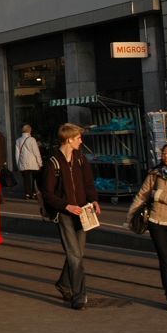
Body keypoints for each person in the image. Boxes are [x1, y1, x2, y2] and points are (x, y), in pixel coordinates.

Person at [126, 144, 167, 311]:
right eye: (164, 153)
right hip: (156, 222)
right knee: (164, 260)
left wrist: (159, 195)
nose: (166, 156)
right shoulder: (154, 174)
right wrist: (130, 217)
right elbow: (142, 195)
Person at [40, 123, 101, 311]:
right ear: (69, 140)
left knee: (78, 254)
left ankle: (63, 284)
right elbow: (48, 193)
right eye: (78, 138)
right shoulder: (53, 163)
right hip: (65, 214)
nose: (81, 141)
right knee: (75, 256)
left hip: (83, 212)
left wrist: (94, 200)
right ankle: (79, 296)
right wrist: (66, 205)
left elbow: (89, 184)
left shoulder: (81, 160)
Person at [15, 125, 43, 199]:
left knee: (26, 179)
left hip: (23, 162)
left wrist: (18, 164)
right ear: (30, 131)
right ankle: (34, 193)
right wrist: (40, 163)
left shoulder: (18, 140)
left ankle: (27, 193)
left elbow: (17, 154)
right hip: (33, 162)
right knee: (35, 178)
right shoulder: (32, 140)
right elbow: (36, 152)